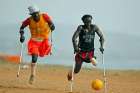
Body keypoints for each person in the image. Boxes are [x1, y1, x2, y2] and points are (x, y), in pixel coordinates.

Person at [19, 5, 55, 84]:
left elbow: (51, 24)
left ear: (39, 12)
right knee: (34, 57)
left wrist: (52, 26)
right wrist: (22, 35)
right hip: (34, 41)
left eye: (37, 13)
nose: (36, 15)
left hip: (44, 41)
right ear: (31, 15)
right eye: (34, 14)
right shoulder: (29, 20)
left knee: (42, 54)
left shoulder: (44, 16)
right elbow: (21, 27)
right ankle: (32, 75)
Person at [67, 14, 105, 81]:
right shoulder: (81, 28)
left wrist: (101, 46)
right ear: (83, 22)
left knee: (95, 63)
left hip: (90, 52)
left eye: (90, 21)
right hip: (80, 52)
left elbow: (102, 37)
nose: (88, 23)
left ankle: (92, 58)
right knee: (76, 70)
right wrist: (75, 47)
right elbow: (74, 38)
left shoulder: (94, 27)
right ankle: (70, 73)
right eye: (86, 22)